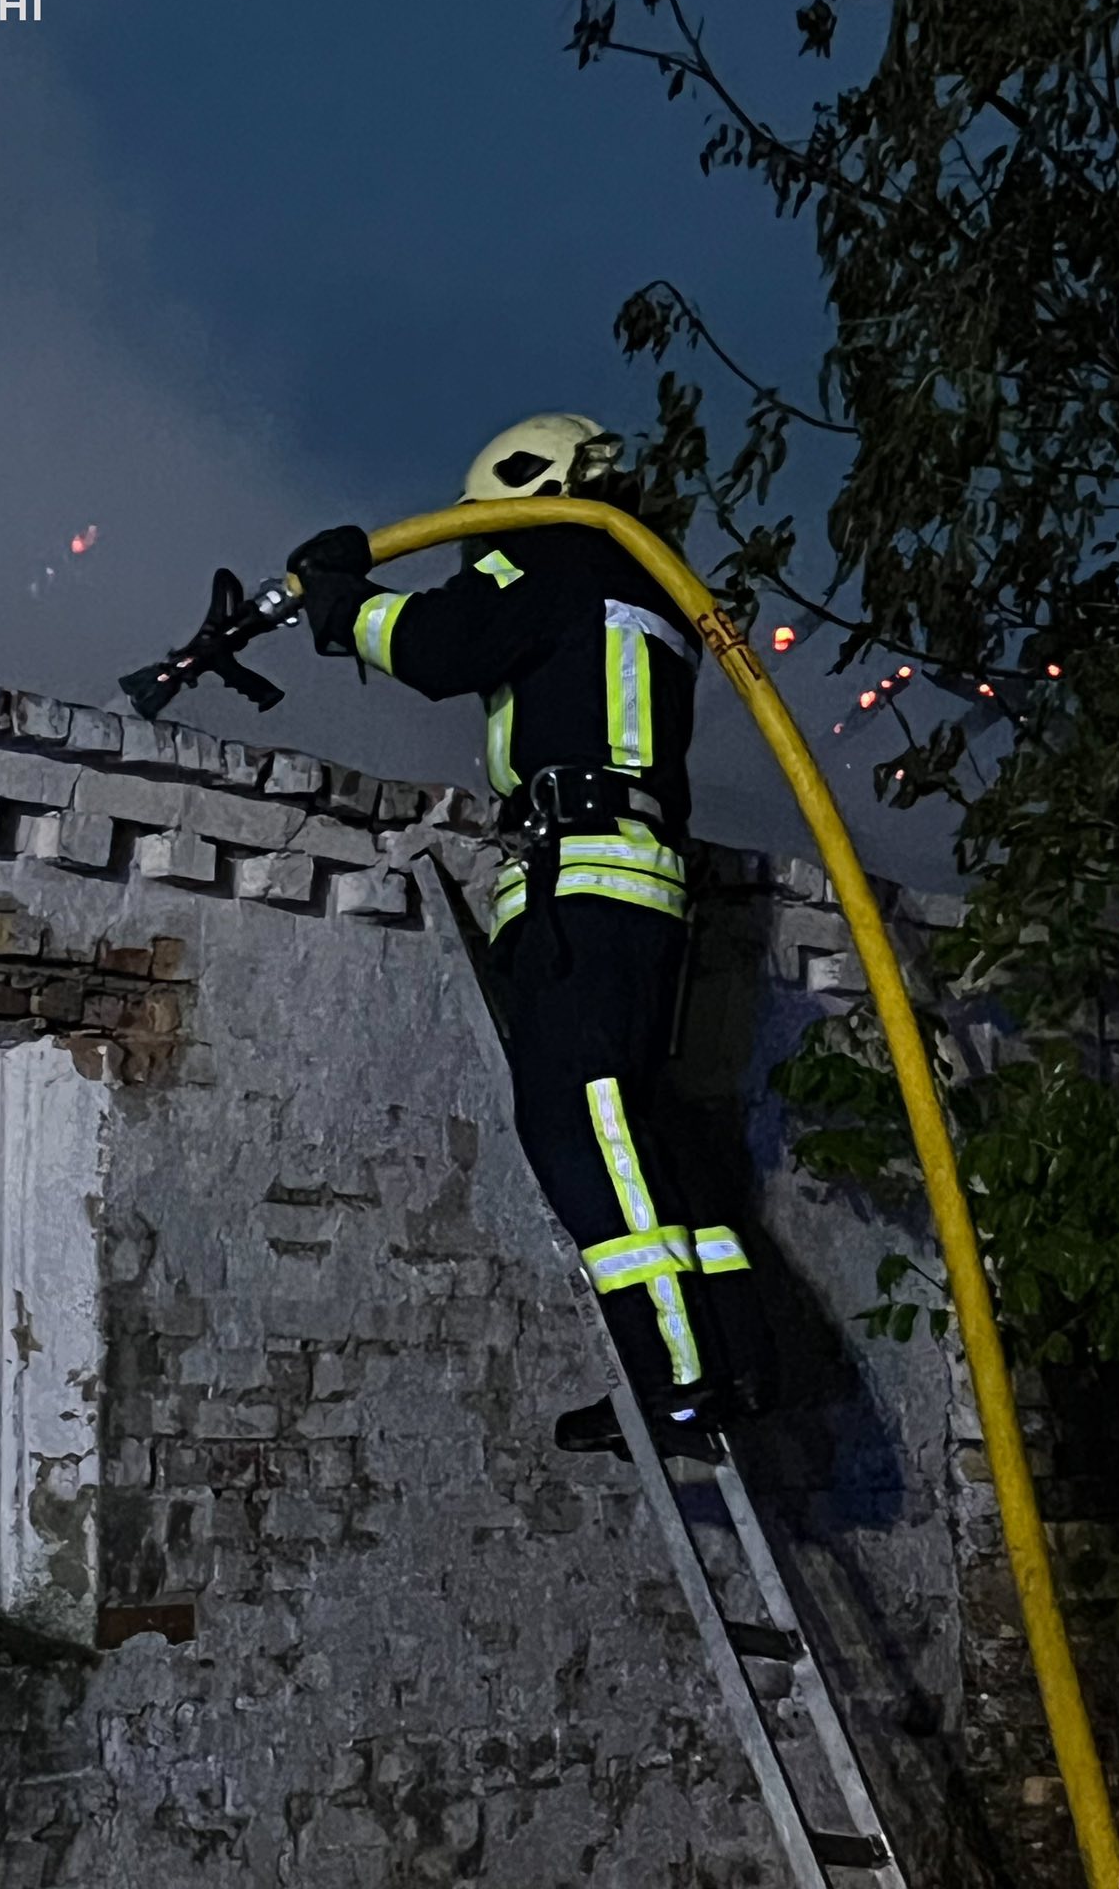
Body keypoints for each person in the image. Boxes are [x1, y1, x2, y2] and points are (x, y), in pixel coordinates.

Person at [288, 413, 771, 1457]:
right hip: (639, 882)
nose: (479, 547)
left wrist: (338, 600)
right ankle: (730, 1354)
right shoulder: (648, 584)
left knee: (576, 1123)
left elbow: (438, 644)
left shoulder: (555, 553)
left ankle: (679, 1377)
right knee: (641, 1127)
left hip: (580, 884)